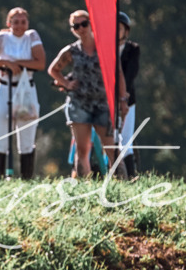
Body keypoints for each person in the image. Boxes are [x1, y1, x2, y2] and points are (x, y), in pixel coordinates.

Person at [47, 10, 128, 178]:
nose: (81, 28)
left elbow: (118, 73)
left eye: (84, 23)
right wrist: (67, 83)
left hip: (102, 103)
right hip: (79, 104)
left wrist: (122, 100)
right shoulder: (71, 51)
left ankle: (123, 185)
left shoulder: (105, 48)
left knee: (112, 147)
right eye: (76, 26)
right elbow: (53, 70)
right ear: (73, 30)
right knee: (82, 149)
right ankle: (85, 187)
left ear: (91, 24)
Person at [0, 7, 46, 179]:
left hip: (26, 89)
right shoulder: (2, 38)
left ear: (27, 23)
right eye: (15, 22)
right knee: (0, 134)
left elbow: (40, 63)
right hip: (4, 88)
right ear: (9, 23)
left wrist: (17, 63)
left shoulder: (31, 36)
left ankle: (26, 177)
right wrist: (5, 64)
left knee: (27, 135)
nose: (19, 26)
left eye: (23, 22)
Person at [118, 11, 141, 177]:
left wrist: (122, 96)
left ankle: (131, 177)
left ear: (126, 31)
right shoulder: (104, 50)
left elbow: (131, 74)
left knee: (125, 141)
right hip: (106, 100)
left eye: (119, 28)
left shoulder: (132, 49)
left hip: (127, 99)